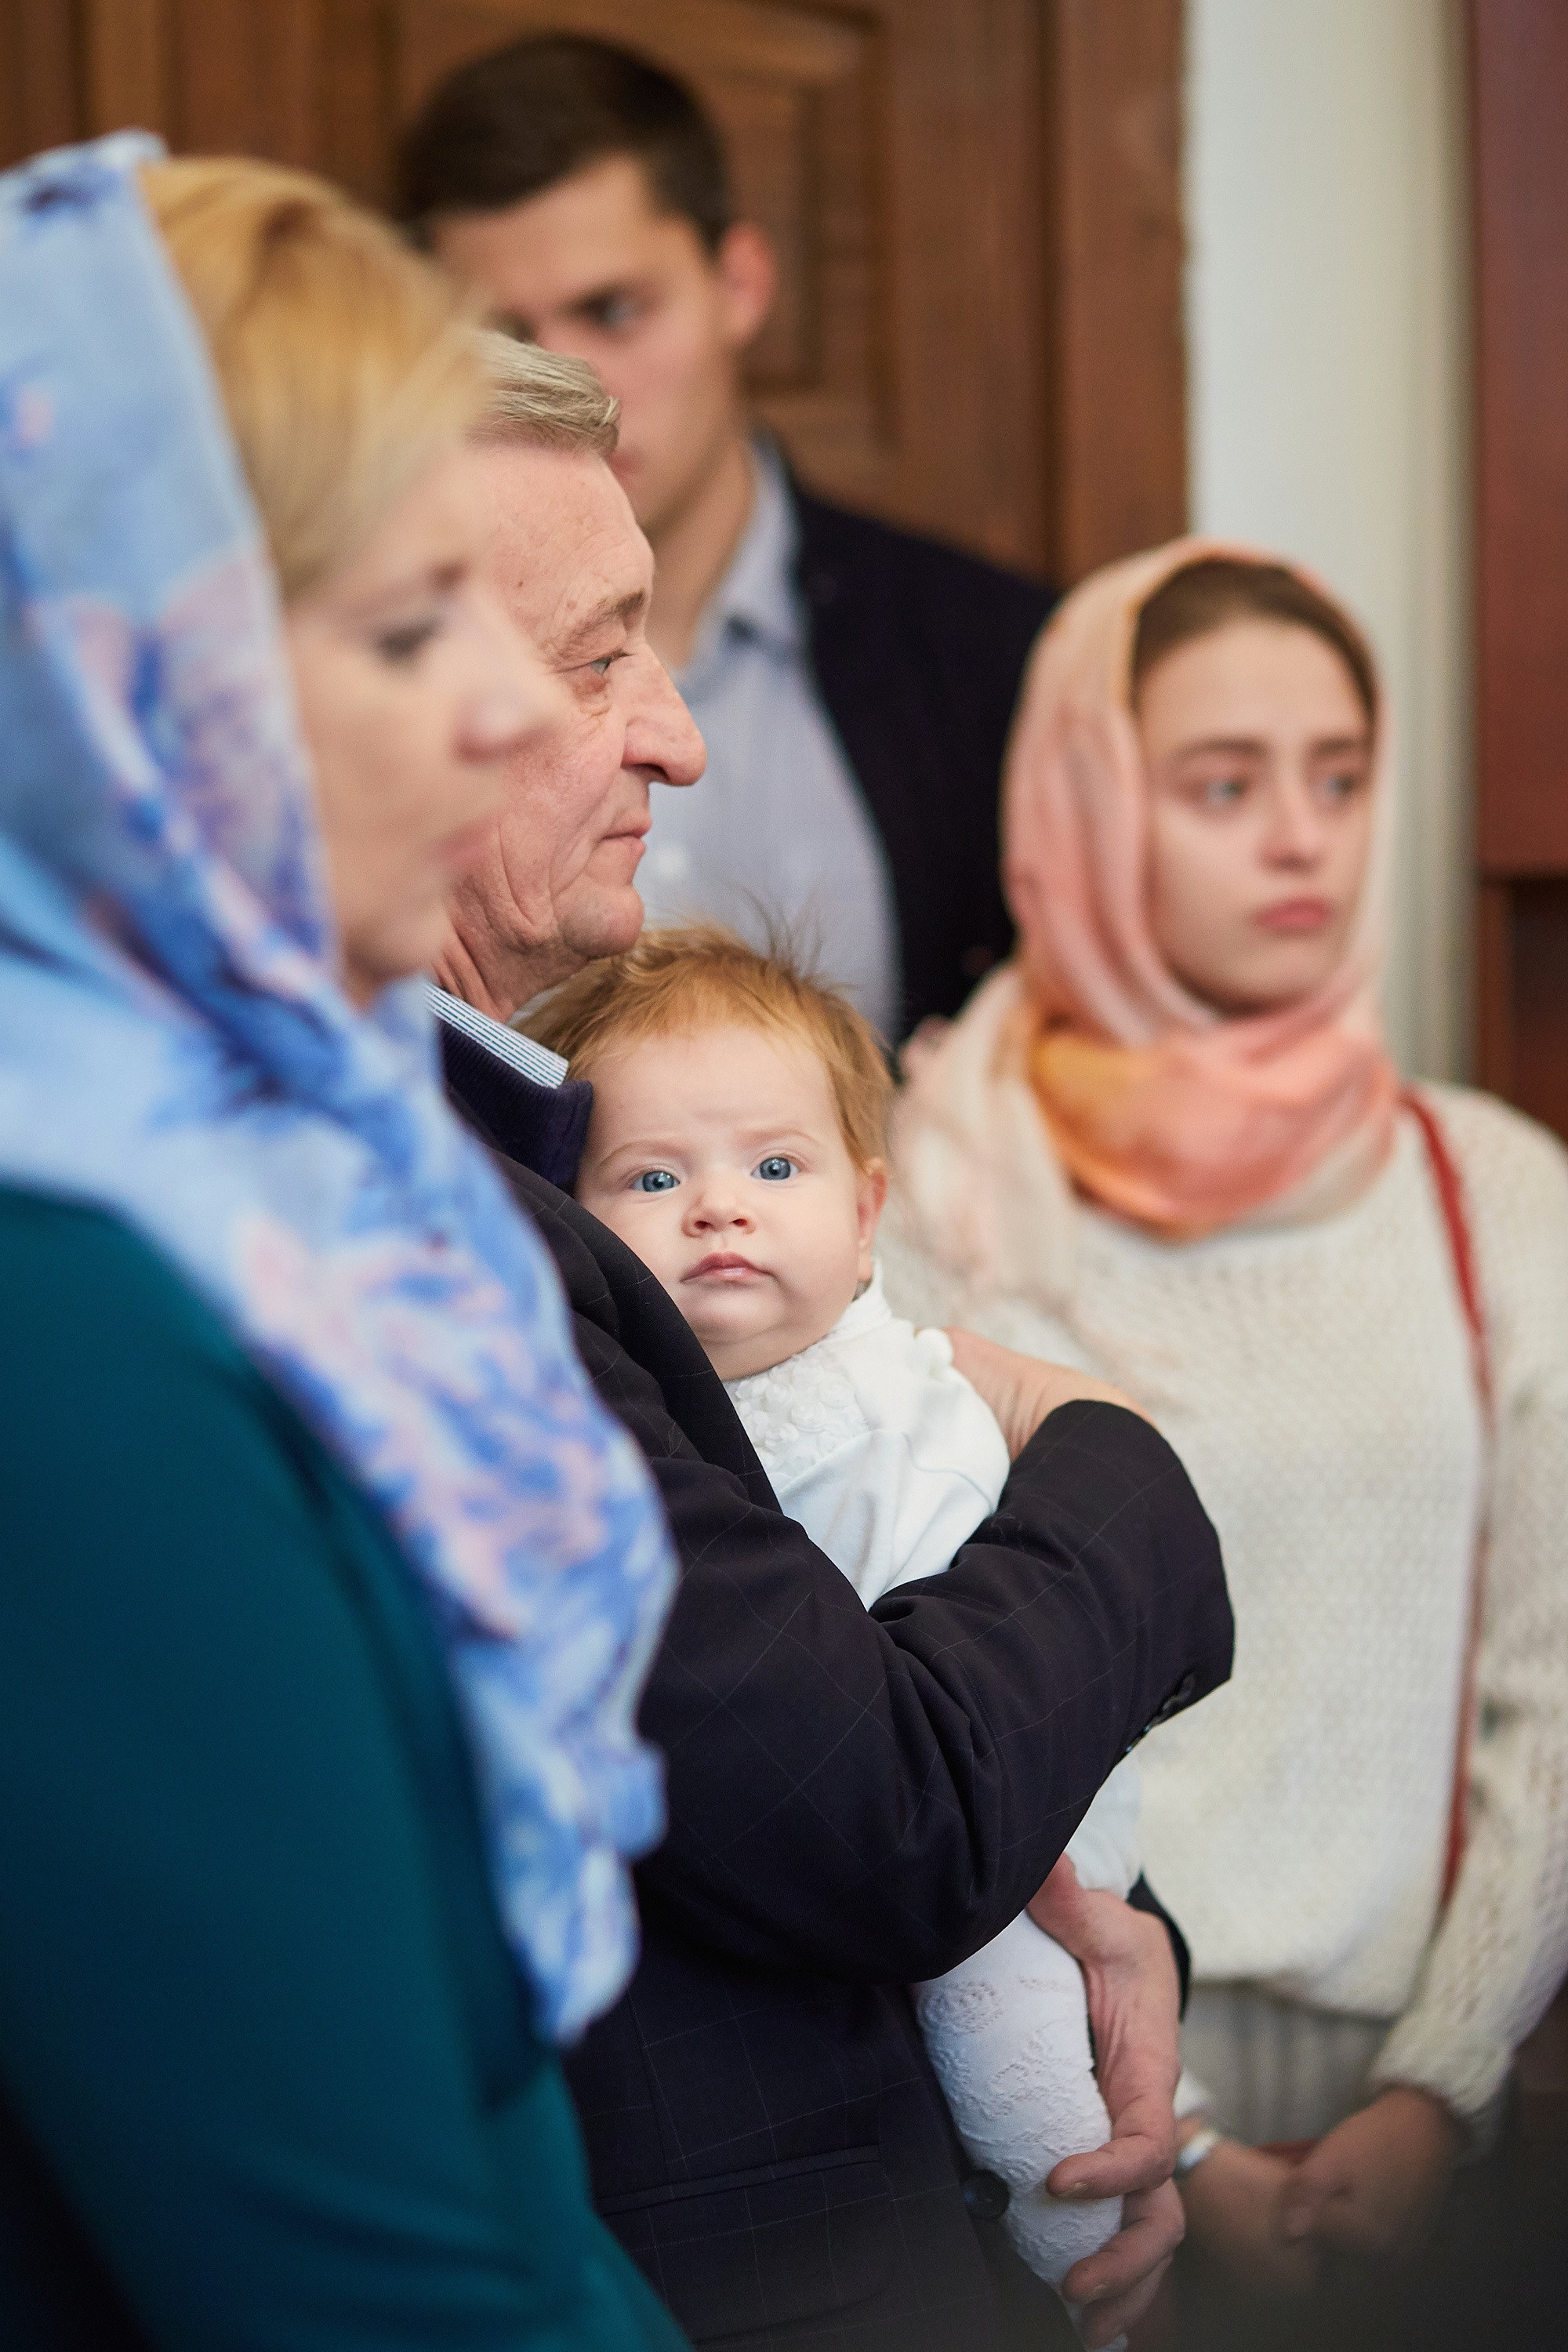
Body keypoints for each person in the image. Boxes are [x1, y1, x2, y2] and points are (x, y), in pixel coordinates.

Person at [427, 340, 1236, 2351]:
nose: (682, 740)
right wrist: (1108, 1442)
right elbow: (871, 1816)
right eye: (602, 655)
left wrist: (1088, 1928)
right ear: (356, 689)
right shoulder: (408, 1230)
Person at [0, 137, 691, 2351]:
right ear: (135, 685)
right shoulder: (74, 1324)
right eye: (411, 631)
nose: (512, 717)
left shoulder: (255, 1183)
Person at [880, 541, 1568, 2333]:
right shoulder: (923, 1191)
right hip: (1045, 2137)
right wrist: (1155, 2134)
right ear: (1085, 804)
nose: (1300, 839)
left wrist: (1441, 2087)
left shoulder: (1489, 1190)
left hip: (1430, 2124)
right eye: (1221, 784)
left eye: (1339, 777)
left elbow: (1552, 1686)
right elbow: (896, 1701)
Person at [527, 923, 1152, 2308]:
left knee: (1019, 2059)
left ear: (868, 1215)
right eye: (651, 1176)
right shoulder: (617, 1407)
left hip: (1004, 1856)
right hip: (821, 1905)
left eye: (774, 1166)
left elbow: (965, 1685)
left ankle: (1084, 2260)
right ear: (569, 1211)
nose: (719, 1210)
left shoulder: (902, 1415)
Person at [397, 31, 1054, 1042]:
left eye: (614, 309)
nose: (570, 379)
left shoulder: (988, 657)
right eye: (510, 335)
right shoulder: (395, 674)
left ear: (740, 285)